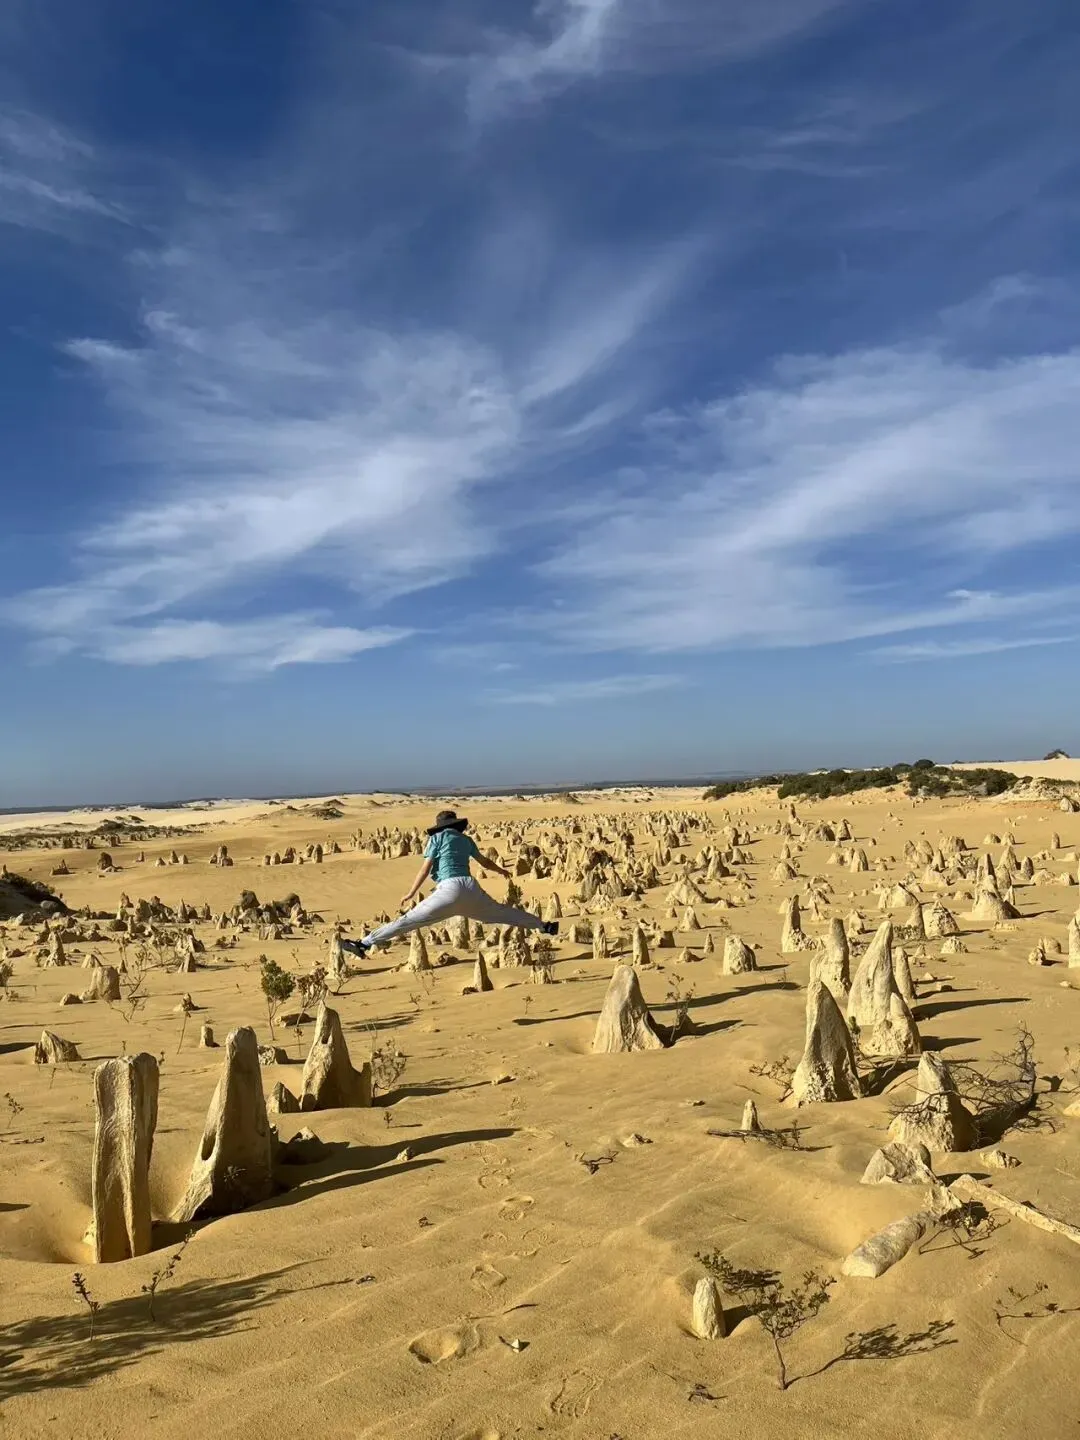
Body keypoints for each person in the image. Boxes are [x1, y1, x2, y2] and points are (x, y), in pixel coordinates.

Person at [342, 810, 557, 957]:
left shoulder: (437, 839)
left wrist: (410, 893)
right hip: (471, 888)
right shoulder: (466, 840)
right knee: (503, 913)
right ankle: (544, 926)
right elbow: (484, 862)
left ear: (440, 826)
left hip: (449, 889)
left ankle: (364, 943)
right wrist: (501, 870)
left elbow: (425, 869)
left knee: (409, 921)